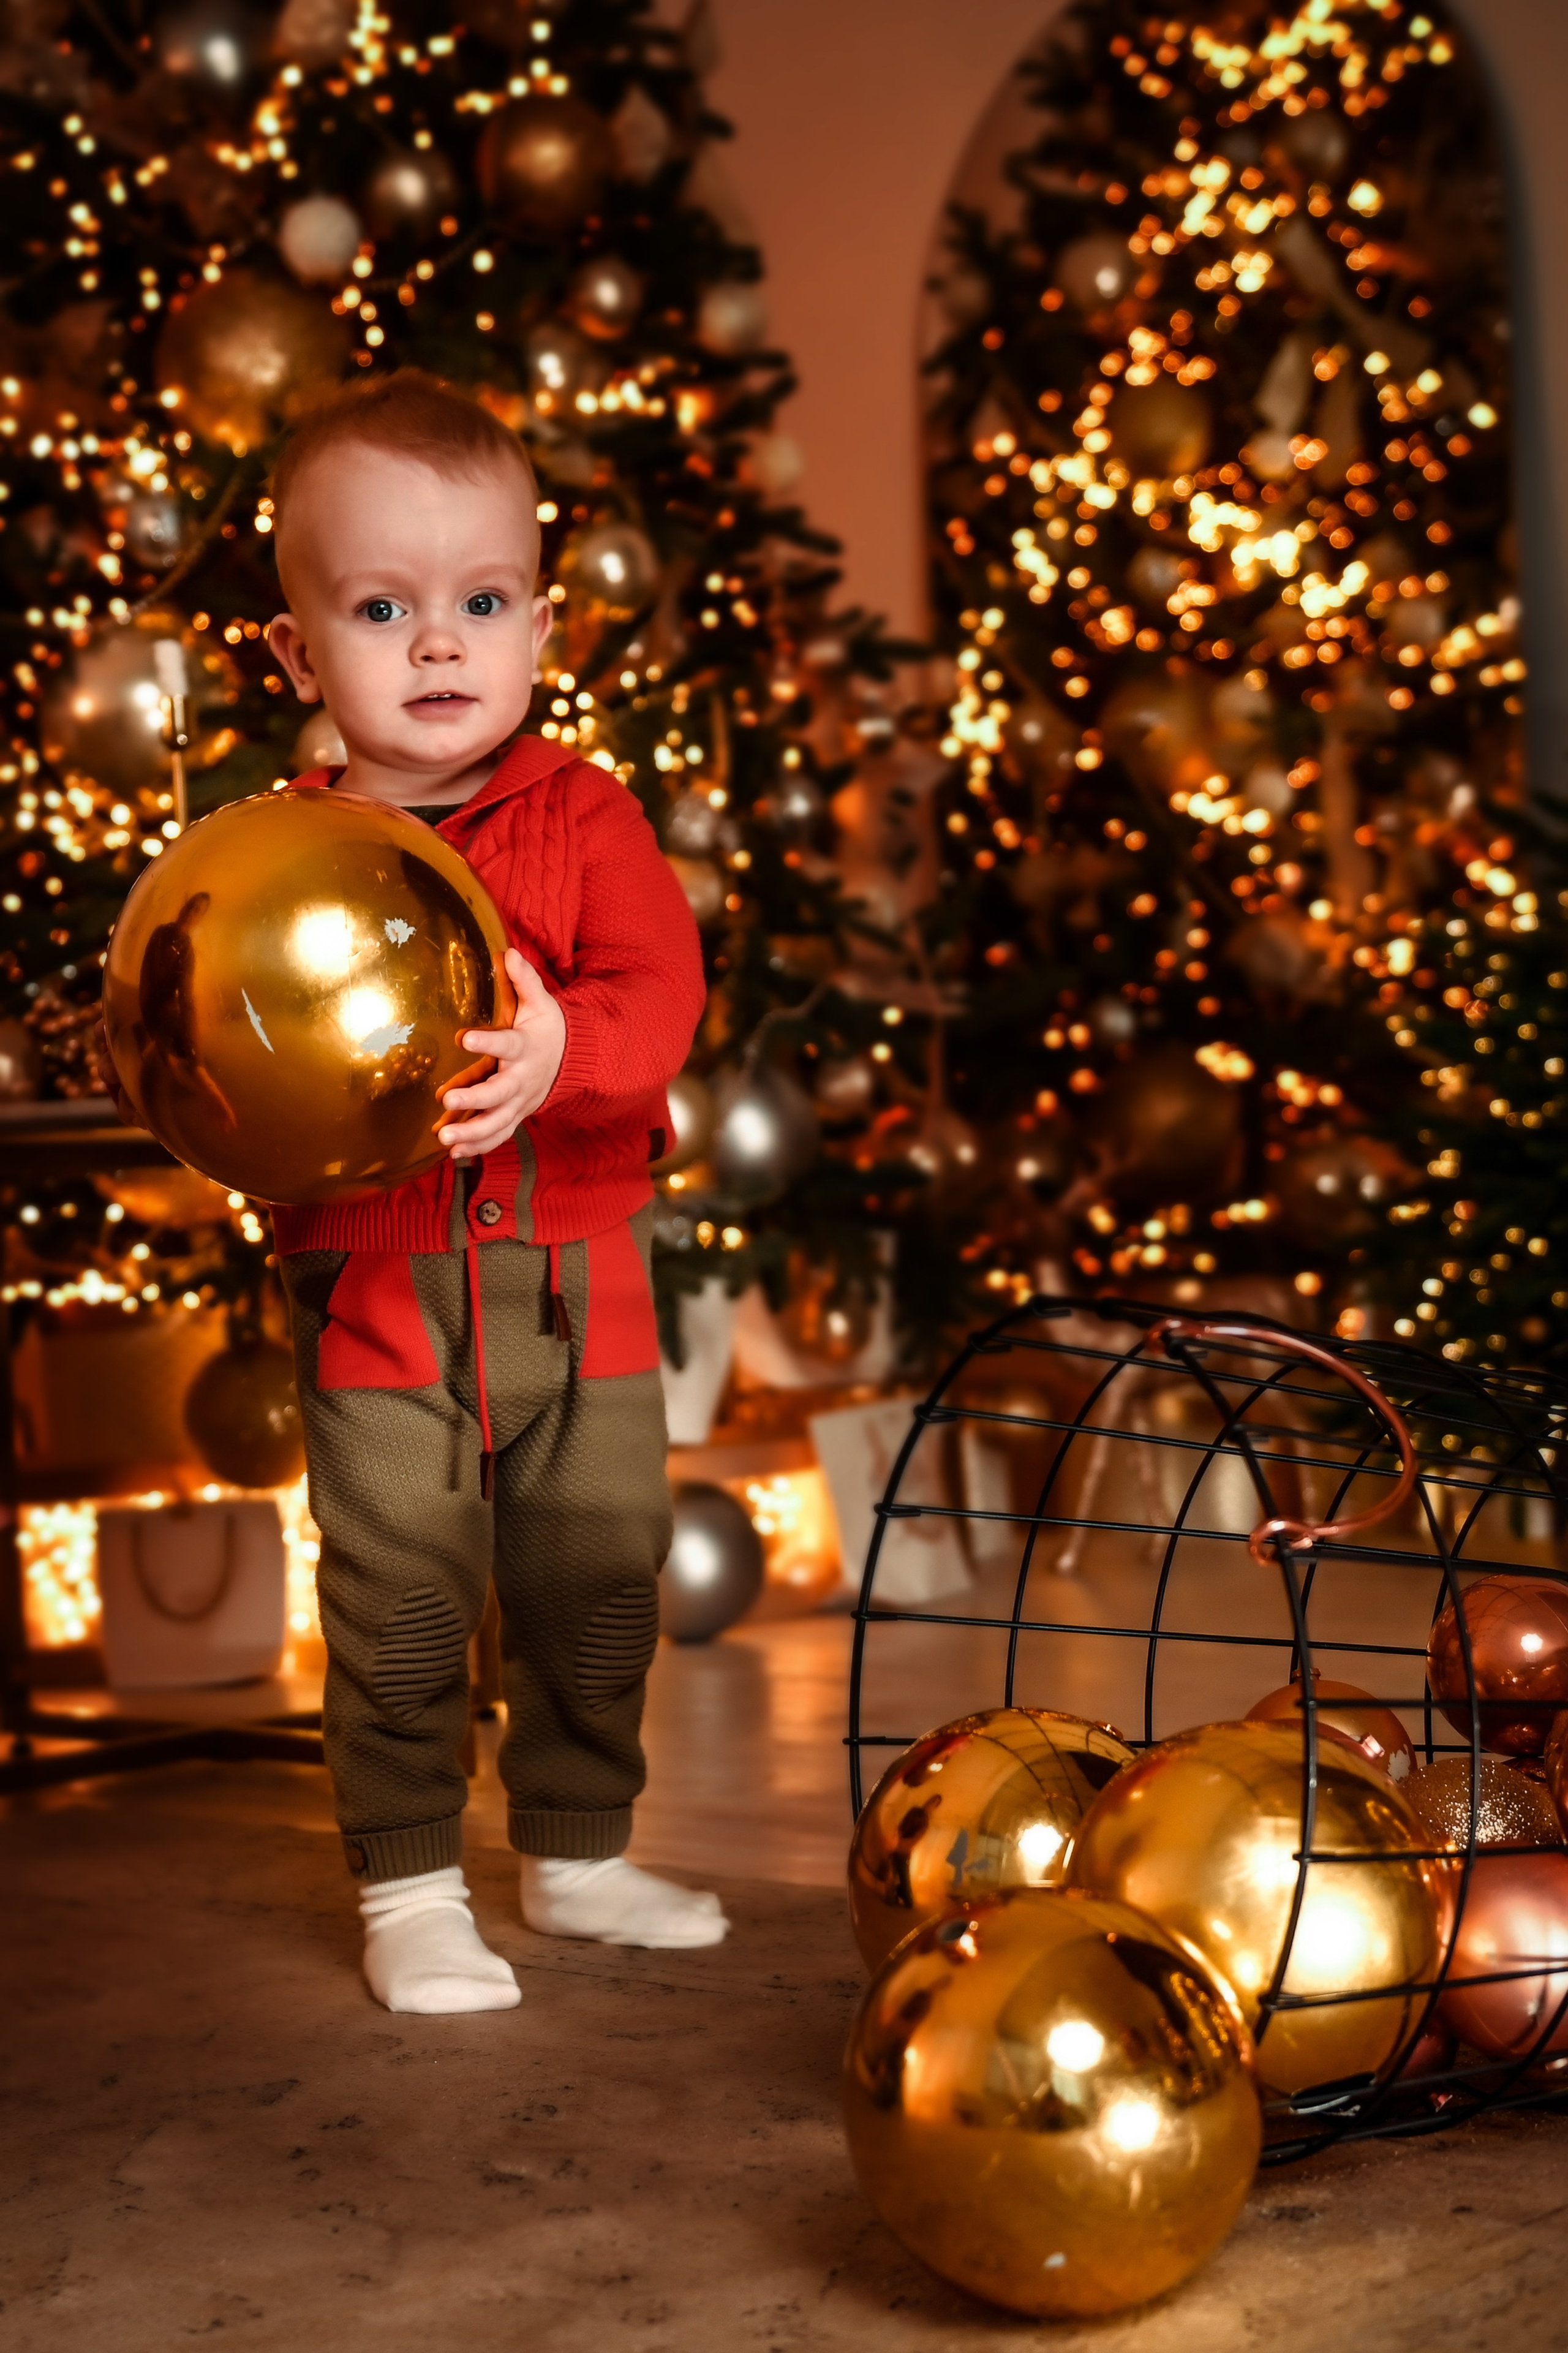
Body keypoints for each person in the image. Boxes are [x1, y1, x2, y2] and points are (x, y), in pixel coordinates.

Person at [258, 368, 721, 2012]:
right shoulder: (280, 859)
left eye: (481, 601)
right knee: (398, 1584)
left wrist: (565, 1052)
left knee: (598, 1566)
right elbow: (227, 1035)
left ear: (542, 627)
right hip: (375, 1285)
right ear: (304, 655)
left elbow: (663, 998)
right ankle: (409, 1881)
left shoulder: (588, 819)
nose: (439, 644)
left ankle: (580, 1850)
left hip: (578, 1267)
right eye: (384, 607)